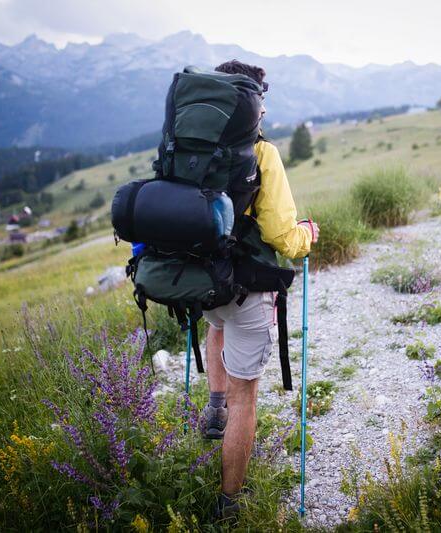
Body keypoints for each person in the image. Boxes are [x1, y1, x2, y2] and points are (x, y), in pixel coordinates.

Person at [200, 59, 320, 518]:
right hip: (245, 284)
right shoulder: (260, 153)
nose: (263, 113)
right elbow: (280, 237)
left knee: (217, 326)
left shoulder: (189, 149)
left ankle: (214, 406)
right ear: (250, 103)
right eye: (261, 102)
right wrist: (308, 234)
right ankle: (230, 503)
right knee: (245, 393)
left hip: (201, 279)